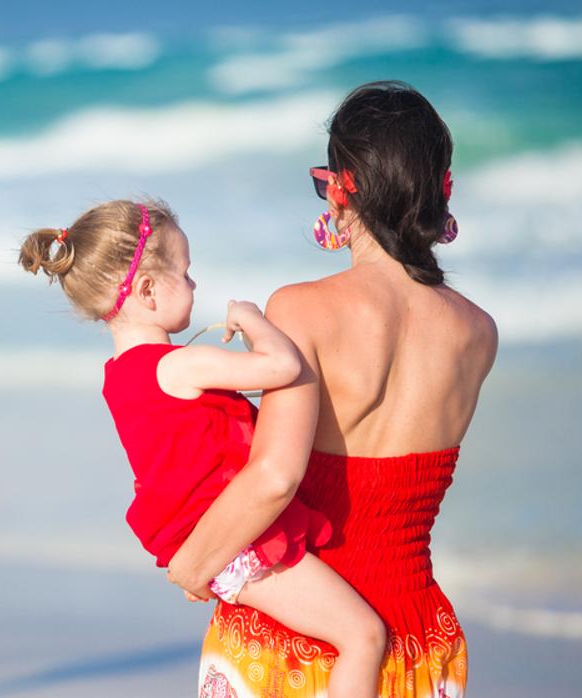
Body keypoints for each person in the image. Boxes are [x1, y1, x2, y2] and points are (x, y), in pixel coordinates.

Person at [165, 81, 499, 697]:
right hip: (421, 639)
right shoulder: (478, 332)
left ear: (344, 189)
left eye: (325, 182)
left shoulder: (301, 310)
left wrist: (197, 563)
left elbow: (275, 477)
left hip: (301, 633)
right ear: (436, 193)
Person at [18, 200, 386, 698]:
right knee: (362, 635)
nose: (195, 286)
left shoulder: (119, 378)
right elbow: (280, 366)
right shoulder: (177, 366)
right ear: (147, 290)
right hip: (239, 541)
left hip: (209, 542)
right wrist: (252, 318)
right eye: (186, 274)